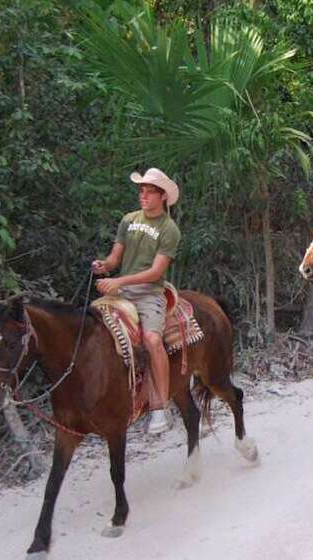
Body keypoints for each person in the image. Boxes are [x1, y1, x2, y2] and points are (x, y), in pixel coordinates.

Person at [92, 168, 182, 435]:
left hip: (149, 293)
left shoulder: (169, 229)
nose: (143, 196)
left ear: (162, 196)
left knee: (152, 340)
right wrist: (104, 266)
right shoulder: (128, 220)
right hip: (121, 292)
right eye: (141, 191)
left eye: (149, 192)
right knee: (94, 332)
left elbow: (155, 272)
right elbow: (115, 259)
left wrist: (119, 281)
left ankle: (161, 405)